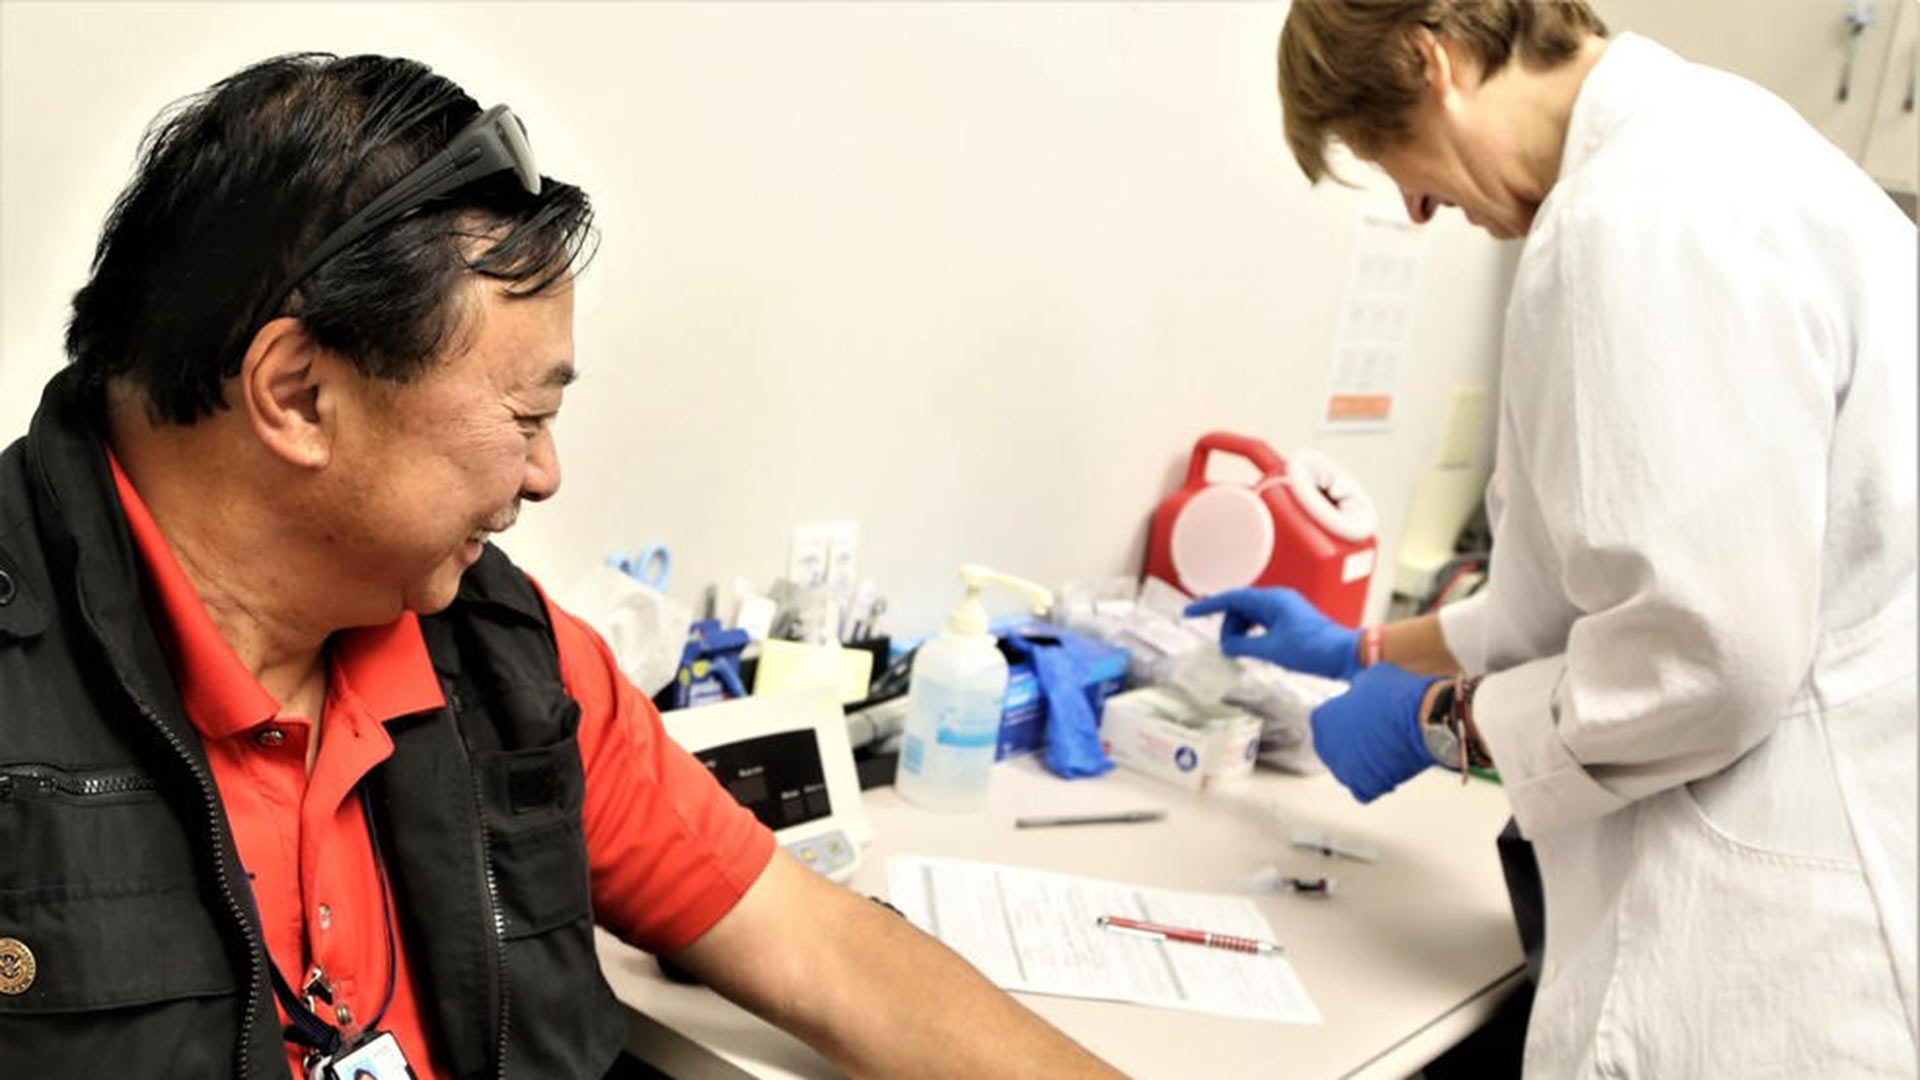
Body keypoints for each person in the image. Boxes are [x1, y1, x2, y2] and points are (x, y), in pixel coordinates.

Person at [0, 53, 1124, 1080]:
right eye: (525, 413)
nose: (546, 476)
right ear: (298, 394)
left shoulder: (500, 655)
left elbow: (819, 948)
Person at [1189, 1, 1917, 1076]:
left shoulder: (1629, 217)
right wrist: (1365, 649)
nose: (1419, 204)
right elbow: (1627, 599)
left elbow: (1708, 659)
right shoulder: (1743, 152)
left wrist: (1442, 725)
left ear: (1432, 63)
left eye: (1395, 160)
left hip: (1759, 958)